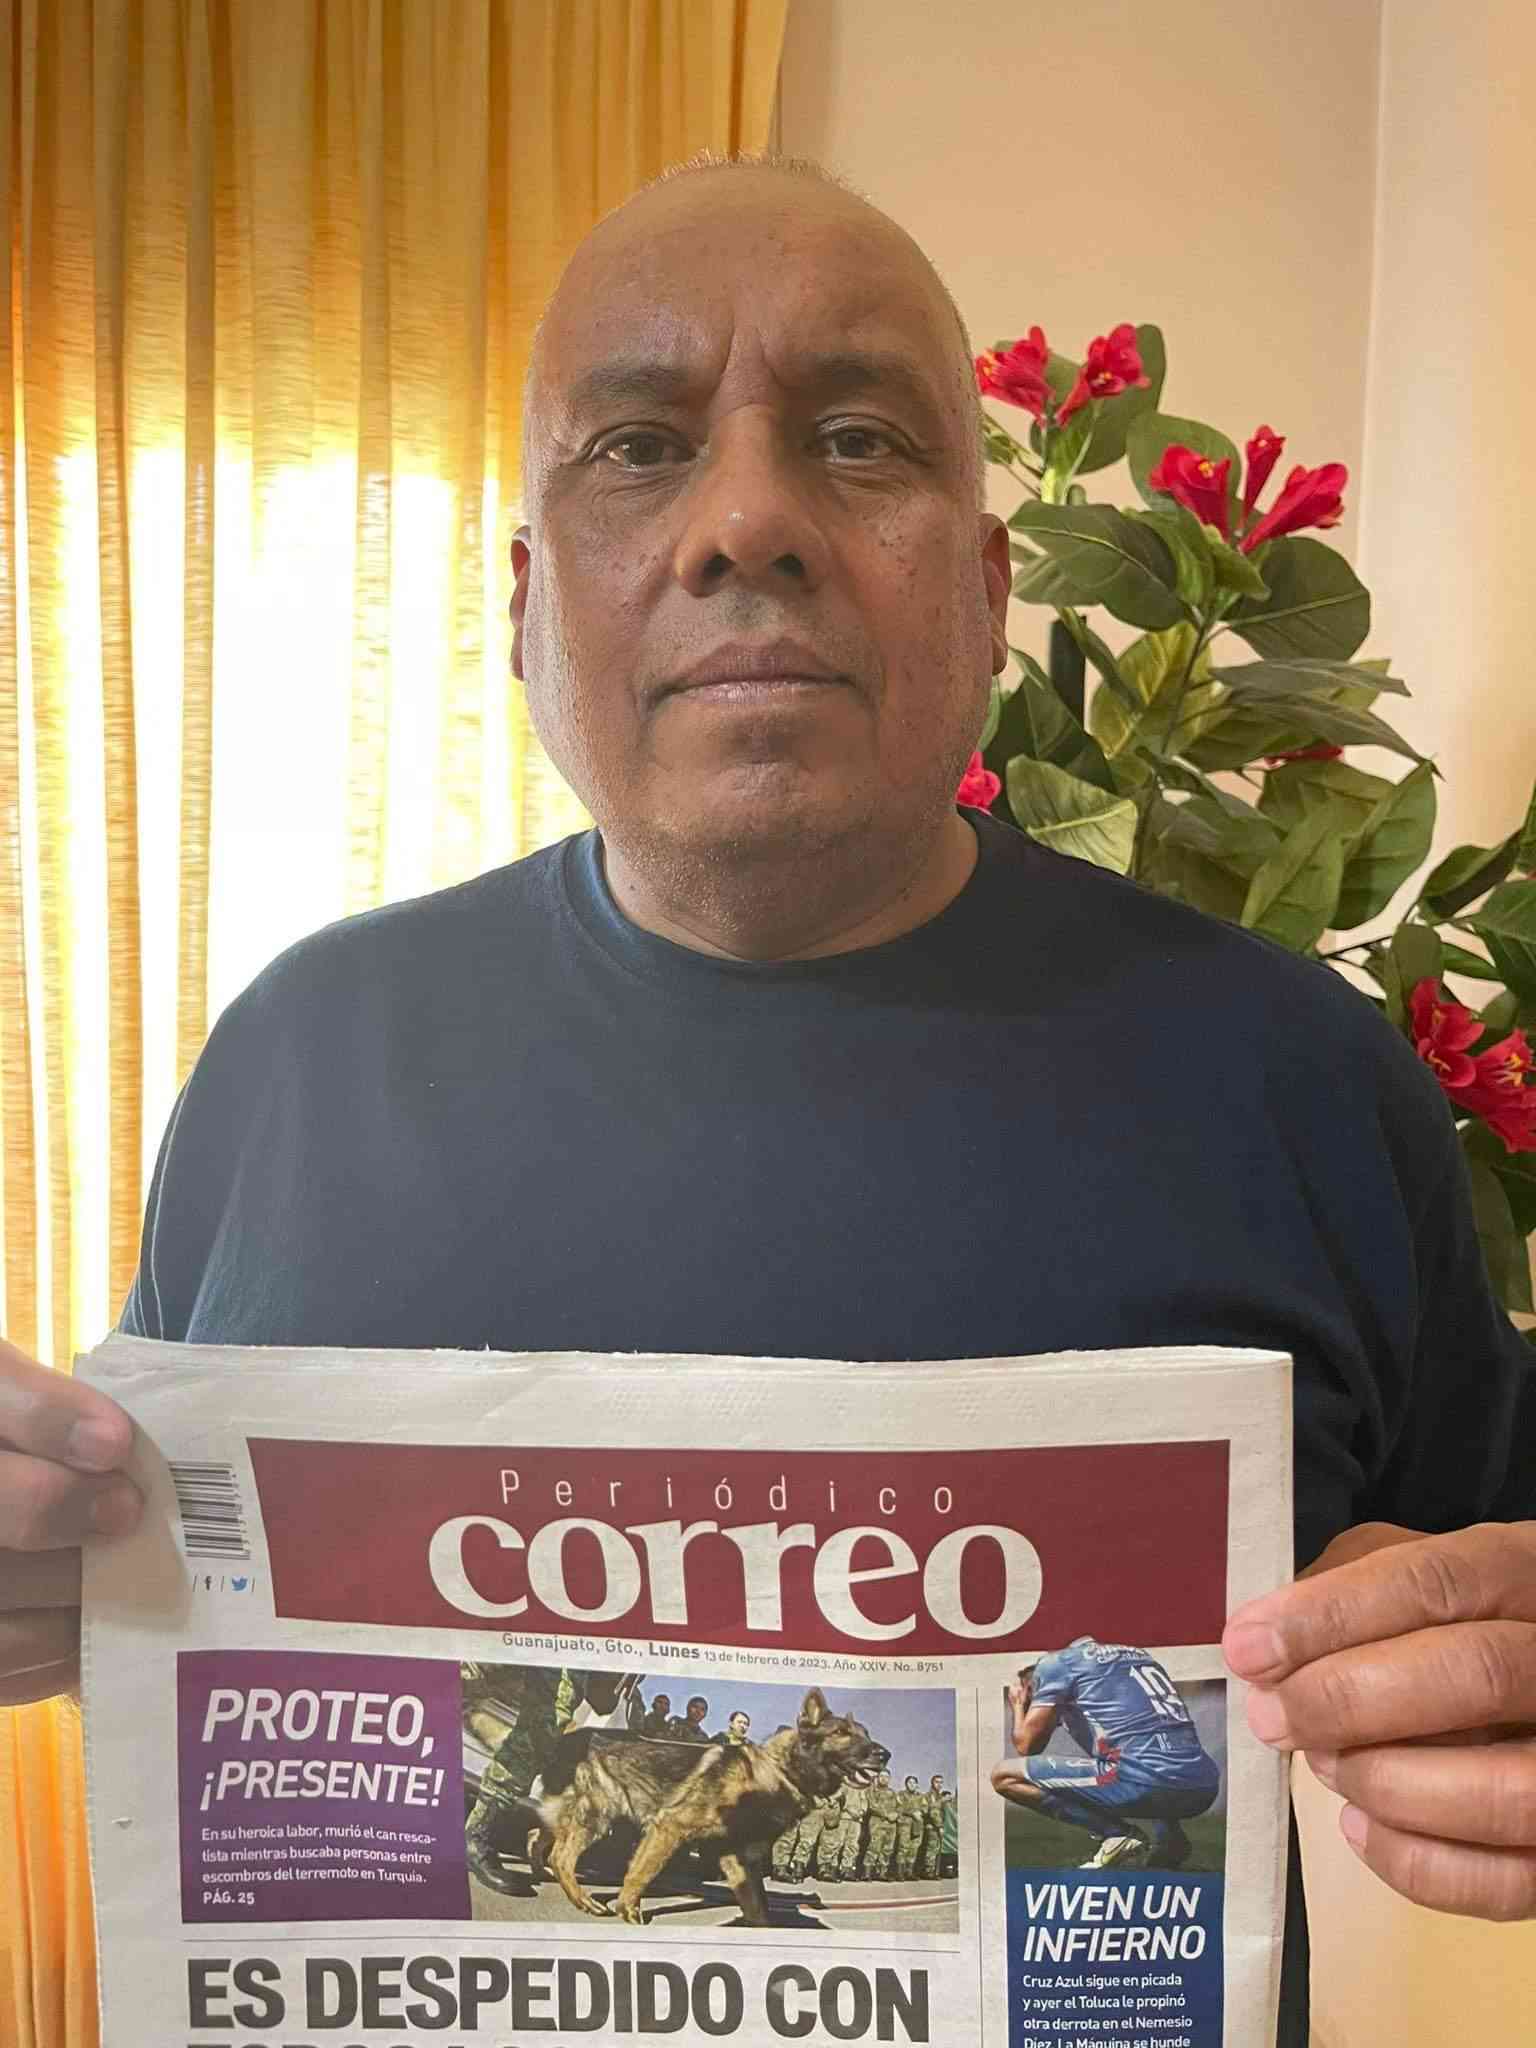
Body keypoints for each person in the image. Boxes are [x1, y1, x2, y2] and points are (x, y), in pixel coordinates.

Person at [1, 151, 1533, 2043]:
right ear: (524, 603)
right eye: (640, 447)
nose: (746, 519)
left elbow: (1493, 1568)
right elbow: (145, 1564)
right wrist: (43, 1559)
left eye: (862, 440)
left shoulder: (1298, 1076)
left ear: (987, 591)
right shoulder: (298, 1059)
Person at [992, 1640, 1221, 1872]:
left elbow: (1027, 1745)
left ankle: (1116, 1834)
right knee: (1145, 1754)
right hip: (1205, 1786)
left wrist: (1018, 1705)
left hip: (1147, 1783)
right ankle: (1170, 1839)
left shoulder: (1055, 1665)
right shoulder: (1137, 1656)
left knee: (1004, 1776)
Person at [862, 1769, 900, 1882]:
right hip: (877, 1822)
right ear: (877, 1778)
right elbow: (872, 1805)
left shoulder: (893, 1793)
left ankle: (882, 1873)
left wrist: (896, 1814)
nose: (884, 1779)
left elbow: (900, 1806)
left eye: (886, 1777)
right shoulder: (872, 1791)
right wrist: (887, 1814)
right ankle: (867, 1873)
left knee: (887, 1849)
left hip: (891, 1824)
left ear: (889, 1779)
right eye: (881, 1776)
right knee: (874, 1847)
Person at [894, 1775, 926, 1882]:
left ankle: (909, 1872)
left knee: (914, 1849)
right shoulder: (901, 1794)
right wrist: (912, 1812)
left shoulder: (921, 1796)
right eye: (909, 1782)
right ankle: (899, 1873)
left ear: (917, 1785)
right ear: (906, 1784)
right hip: (905, 1825)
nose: (911, 1784)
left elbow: (925, 1808)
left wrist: (920, 1812)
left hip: (917, 1825)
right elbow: (899, 1807)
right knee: (903, 1848)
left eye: (914, 1783)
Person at [918, 1772, 948, 1879]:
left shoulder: (938, 1796)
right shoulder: (930, 1796)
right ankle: (928, 1872)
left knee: (936, 1849)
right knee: (932, 1849)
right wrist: (940, 1826)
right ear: (932, 1783)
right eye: (937, 1782)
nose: (939, 1784)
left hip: (937, 1826)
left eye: (941, 1782)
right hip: (932, 1826)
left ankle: (934, 1871)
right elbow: (933, 1812)